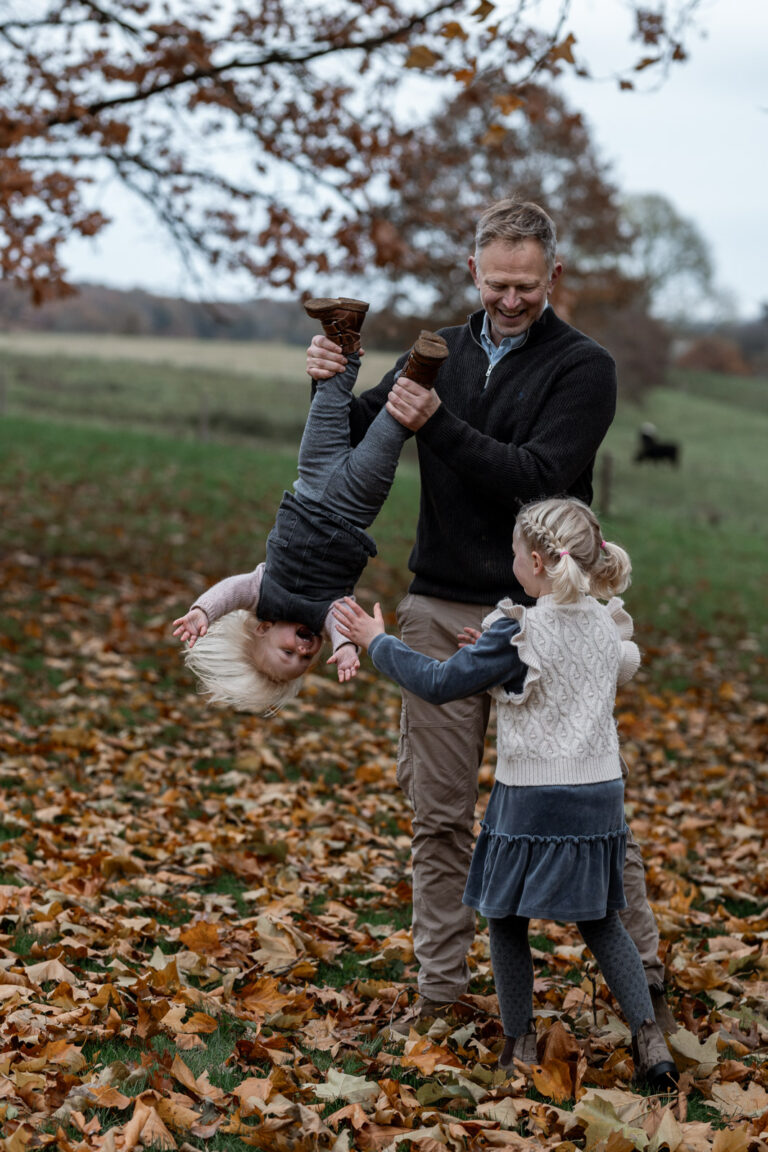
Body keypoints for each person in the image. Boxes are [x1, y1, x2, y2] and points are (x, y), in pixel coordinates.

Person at [305, 198, 673, 1031]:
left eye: (528, 287)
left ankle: (644, 978)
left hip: (551, 618)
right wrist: (331, 379)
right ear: (473, 271)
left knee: (584, 807)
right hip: (437, 601)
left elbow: (536, 475)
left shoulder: (586, 368)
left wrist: (436, 423)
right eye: (498, 283)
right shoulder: (436, 355)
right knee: (437, 814)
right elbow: (361, 429)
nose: (511, 300)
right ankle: (440, 996)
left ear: (554, 276)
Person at [333, 497, 679, 1090]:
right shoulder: (602, 622)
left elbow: (440, 683)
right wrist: (494, 651)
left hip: (534, 798)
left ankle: (518, 1047)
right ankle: (651, 1040)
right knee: (601, 921)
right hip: (599, 797)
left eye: (516, 551)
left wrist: (376, 641)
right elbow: (607, 667)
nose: (509, 559)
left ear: (540, 563)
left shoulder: (518, 630)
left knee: (506, 918)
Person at [173, 298, 449, 716]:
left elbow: (229, 592)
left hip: (312, 480)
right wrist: (347, 650)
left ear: (263, 629)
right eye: (306, 661)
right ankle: (421, 370)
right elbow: (343, 624)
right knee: (392, 427)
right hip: (357, 502)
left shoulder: (261, 592)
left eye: (289, 654)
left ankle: (344, 329)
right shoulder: (323, 616)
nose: (303, 652)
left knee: (327, 405)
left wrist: (201, 612)